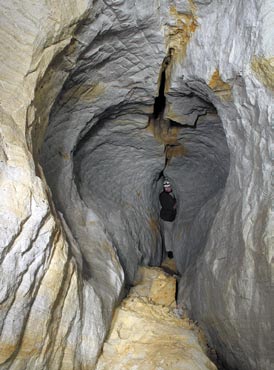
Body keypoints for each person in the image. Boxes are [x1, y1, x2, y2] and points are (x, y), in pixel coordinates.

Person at [159, 178, 176, 258]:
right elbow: (170, 206)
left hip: (169, 217)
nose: (168, 188)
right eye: (166, 187)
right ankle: (170, 251)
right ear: (164, 188)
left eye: (169, 187)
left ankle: (170, 250)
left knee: (169, 234)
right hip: (167, 218)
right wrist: (174, 204)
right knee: (168, 234)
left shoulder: (169, 194)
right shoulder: (163, 195)